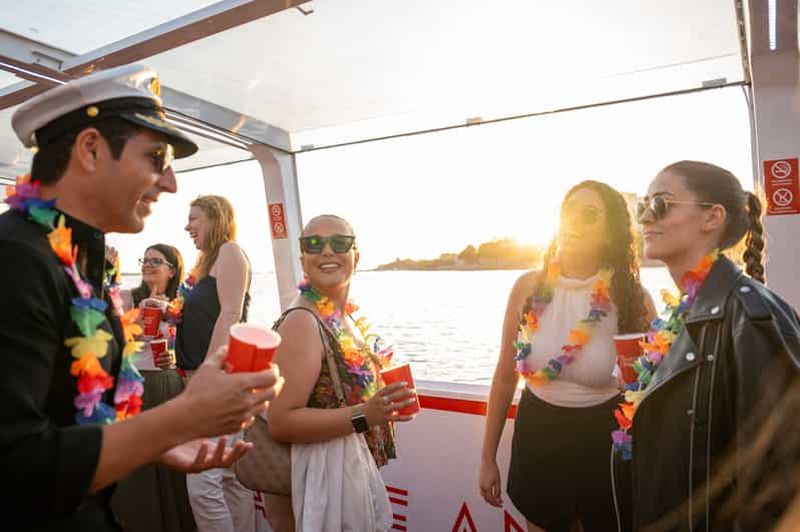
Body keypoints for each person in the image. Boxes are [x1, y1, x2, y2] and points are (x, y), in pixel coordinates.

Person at [0, 64, 280, 531]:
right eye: (156, 157)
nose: (170, 182)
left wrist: (155, 442)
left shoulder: (77, 264)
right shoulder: (15, 260)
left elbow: (67, 415)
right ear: (90, 149)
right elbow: (14, 469)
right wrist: (181, 418)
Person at [612, 160, 800, 531]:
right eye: (642, 206)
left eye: (661, 204)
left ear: (712, 217)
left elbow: (781, 479)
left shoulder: (752, 316)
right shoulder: (684, 313)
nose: (646, 218)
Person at [479, 180, 655, 532]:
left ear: (610, 232)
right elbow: (503, 377)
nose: (575, 220)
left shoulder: (632, 297)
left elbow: (651, 388)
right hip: (539, 432)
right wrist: (487, 459)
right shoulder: (528, 288)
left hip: (604, 438)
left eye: (589, 214)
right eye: (569, 210)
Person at [265, 214, 416, 532]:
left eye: (340, 243)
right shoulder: (303, 322)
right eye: (314, 244)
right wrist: (365, 414)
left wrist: (382, 405)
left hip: (346, 476)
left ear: (356, 256)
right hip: (317, 490)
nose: (327, 251)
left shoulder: (340, 317)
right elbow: (281, 422)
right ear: (303, 259)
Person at [176, 195, 255, 532]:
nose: (187, 226)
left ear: (215, 217)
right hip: (209, 377)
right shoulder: (208, 262)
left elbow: (231, 313)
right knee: (227, 479)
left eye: (194, 218)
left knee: (202, 484)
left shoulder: (230, 252)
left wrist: (208, 375)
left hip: (220, 378)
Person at [111, 244, 196, 531]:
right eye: (145, 260)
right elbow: (98, 308)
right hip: (133, 385)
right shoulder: (127, 297)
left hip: (169, 384)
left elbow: (188, 348)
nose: (148, 265)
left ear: (172, 270)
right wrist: (112, 272)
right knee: (138, 465)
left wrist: (174, 356)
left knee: (172, 460)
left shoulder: (182, 304)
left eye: (155, 261)